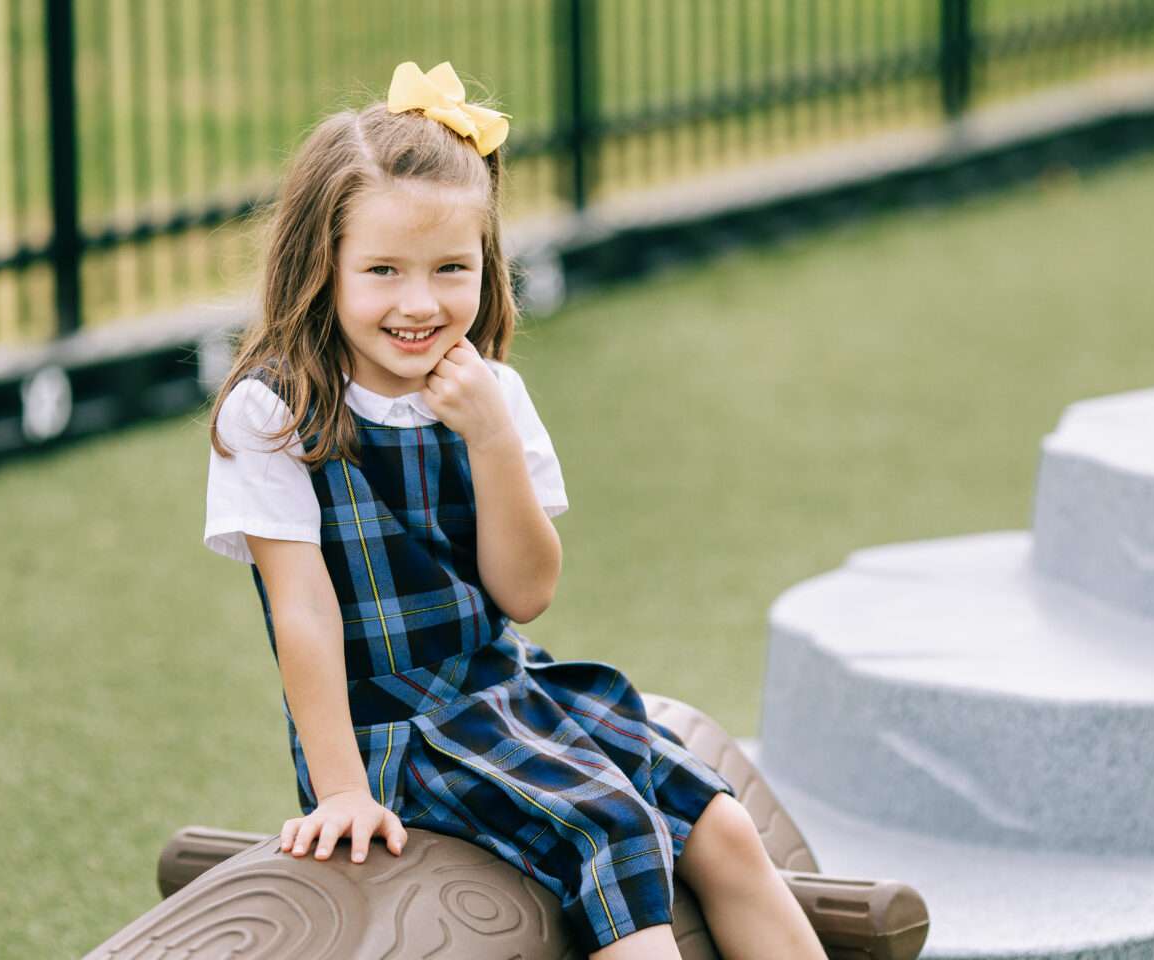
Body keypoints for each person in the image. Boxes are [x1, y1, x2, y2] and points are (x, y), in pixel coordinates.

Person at [203, 61, 828, 960]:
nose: (420, 303)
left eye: (451, 269)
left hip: (507, 689)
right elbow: (301, 610)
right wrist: (341, 788)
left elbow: (526, 594)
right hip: (395, 732)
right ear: (322, 266)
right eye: (382, 270)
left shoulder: (491, 393)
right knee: (612, 834)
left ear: (485, 265)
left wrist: (490, 437)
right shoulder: (275, 413)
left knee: (722, 824)